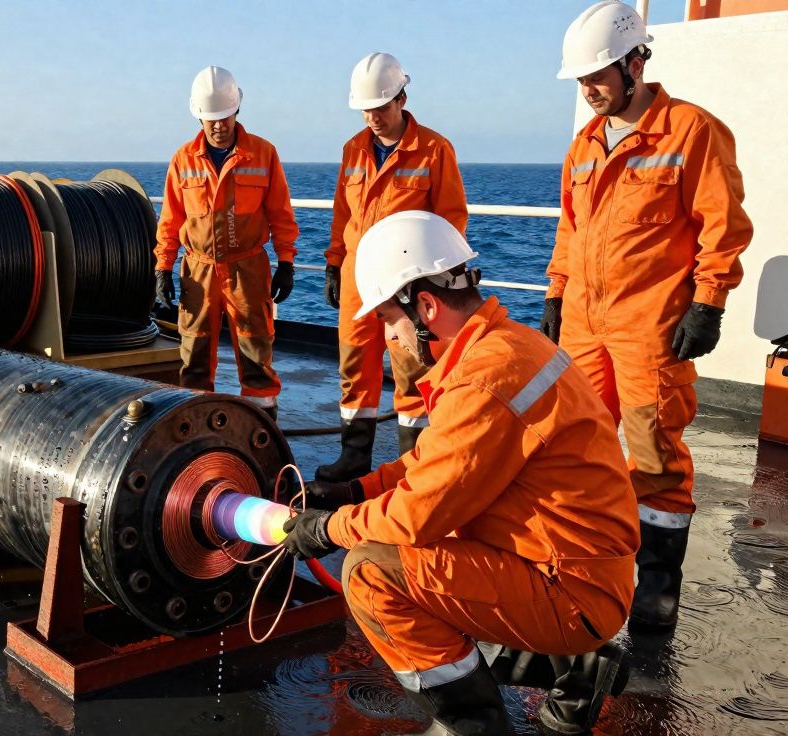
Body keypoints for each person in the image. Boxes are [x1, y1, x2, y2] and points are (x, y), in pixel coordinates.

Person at [284, 211, 639, 734]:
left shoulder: (484, 383)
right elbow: (436, 462)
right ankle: (576, 667)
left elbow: (416, 514)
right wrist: (353, 490)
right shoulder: (509, 347)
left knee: (372, 570)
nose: (392, 341)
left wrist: (329, 528)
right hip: (575, 570)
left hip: (568, 591)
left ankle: (474, 724)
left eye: (388, 321)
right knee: (420, 552)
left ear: (425, 306)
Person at [545, 0, 753, 630]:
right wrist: (557, 291)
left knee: (655, 456)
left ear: (636, 62)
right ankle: (581, 566)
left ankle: (658, 586)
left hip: (649, 327)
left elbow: (723, 227)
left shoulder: (692, 131)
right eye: (581, 80)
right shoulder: (583, 144)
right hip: (584, 323)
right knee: (571, 446)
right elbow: (570, 229)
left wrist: (709, 302)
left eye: (598, 76)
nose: (589, 90)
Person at [318, 52, 468, 483]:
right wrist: (333, 264)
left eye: (381, 108)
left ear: (402, 98)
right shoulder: (353, 150)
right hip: (357, 280)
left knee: (414, 368)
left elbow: (451, 217)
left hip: (408, 281)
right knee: (354, 365)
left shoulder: (435, 150)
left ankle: (414, 465)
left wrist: (437, 281)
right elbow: (341, 214)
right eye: (366, 110)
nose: (374, 118)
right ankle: (353, 458)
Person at [153, 66, 300, 419]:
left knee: (255, 352)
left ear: (237, 110)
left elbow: (281, 213)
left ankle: (260, 429)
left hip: (247, 268)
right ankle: (198, 432)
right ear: (199, 118)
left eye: (224, 117)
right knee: (195, 355)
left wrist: (287, 263)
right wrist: (163, 268)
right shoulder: (183, 160)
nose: (219, 126)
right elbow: (171, 220)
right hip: (198, 270)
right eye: (210, 119)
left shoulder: (263, 155)